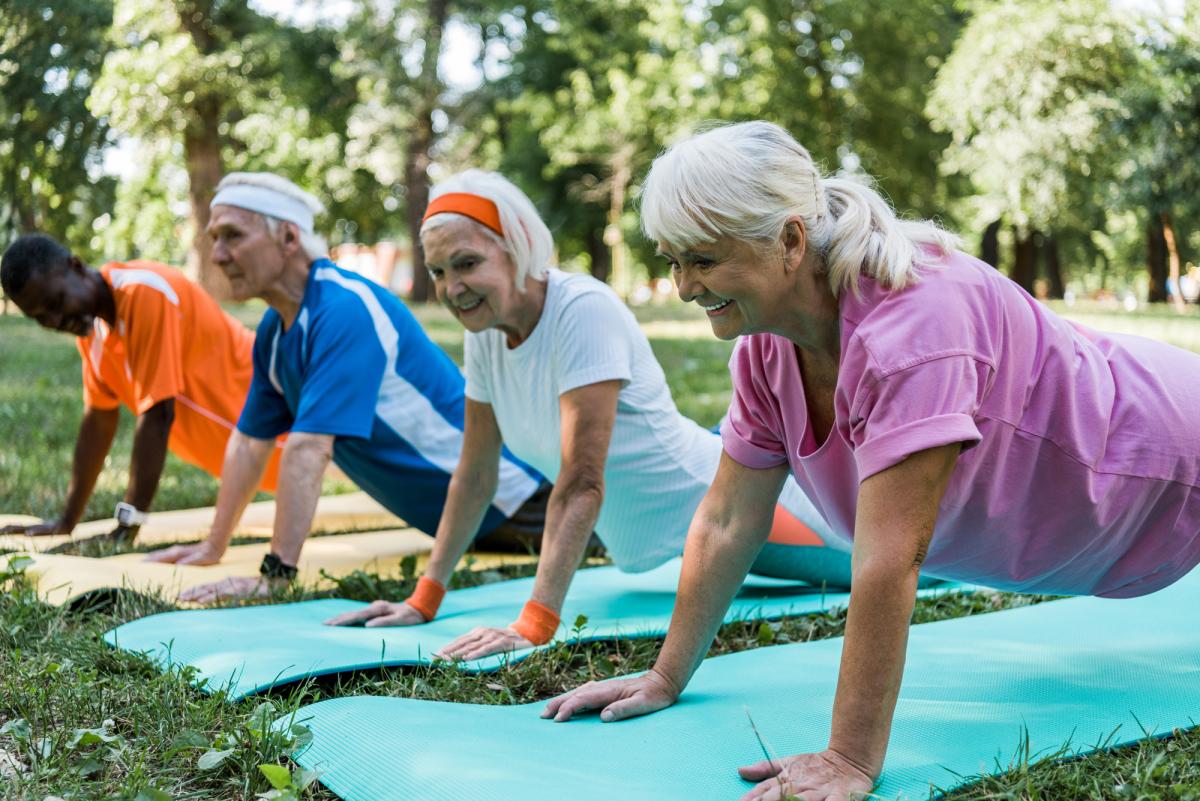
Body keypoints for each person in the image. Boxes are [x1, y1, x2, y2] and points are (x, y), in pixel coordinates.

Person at [543, 121, 1200, 801]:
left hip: (1165, 465)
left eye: (702, 259)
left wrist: (849, 756)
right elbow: (727, 519)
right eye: (671, 259)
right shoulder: (767, 353)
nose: (682, 285)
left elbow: (888, 557)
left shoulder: (914, 331)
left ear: (790, 240)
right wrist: (665, 675)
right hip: (1102, 516)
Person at [326, 170, 843, 662]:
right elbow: (475, 475)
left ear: (516, 248)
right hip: (671, 531)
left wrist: (535, 623)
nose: (452, 288)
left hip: (714, 499)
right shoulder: (484, 332)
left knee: (889, 563)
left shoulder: (581, 310)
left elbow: (581, 483)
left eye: (466, 264)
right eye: (439, 272)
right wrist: (424, 598)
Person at [146, 172, 547, 600]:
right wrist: (213, 546)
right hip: (469, 522)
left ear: (287, 237)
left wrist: (276, 576)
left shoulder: (345, 310)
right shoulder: (277, 330)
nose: (218, 254)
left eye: (232, 236)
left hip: (520, 505)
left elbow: (309, 449)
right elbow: (249, 444)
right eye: (214, 238)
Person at [0, 233, 283, 544]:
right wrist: (66, 521)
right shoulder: (94, 336)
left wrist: (127, 526)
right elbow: (98, 422)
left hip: (285, 418)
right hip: (254, 452)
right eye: (41, 318)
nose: (55, 320)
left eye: (56, 302)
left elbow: (158, 414)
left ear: (76, 267)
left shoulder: (144, 292)